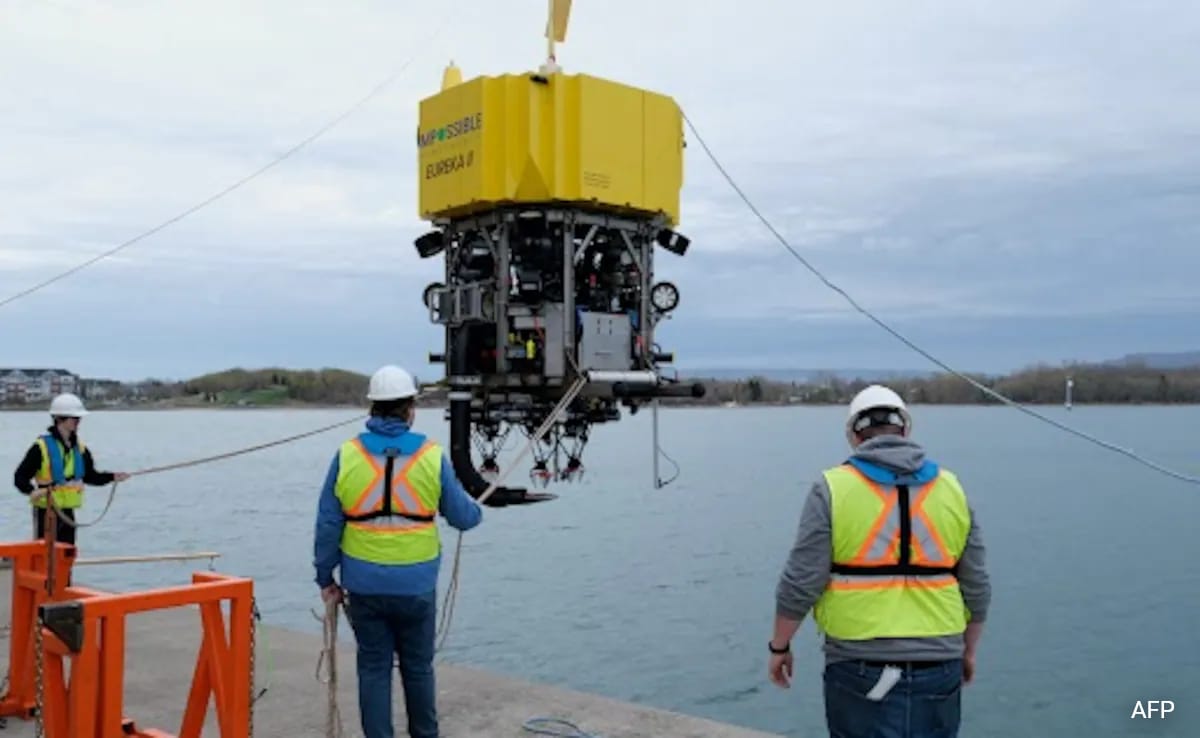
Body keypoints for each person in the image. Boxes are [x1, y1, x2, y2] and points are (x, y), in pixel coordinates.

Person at [768, 384, 991, 738]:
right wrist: (969, 650)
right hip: (940, 661)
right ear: (906, 430)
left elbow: (801, 581)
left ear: (853, 436)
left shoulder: (831, 488)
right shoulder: (952, 489)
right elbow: (977, 584)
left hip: (858, 663)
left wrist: (779, 646)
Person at [313, 364, 483, 738]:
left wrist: (325, 578)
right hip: (416, 585)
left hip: (365, 586)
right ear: (410, 409)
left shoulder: (347, 455)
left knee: (373, 668)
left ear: (371, 408)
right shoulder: (432, 456)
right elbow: (462, 517)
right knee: (418, 667)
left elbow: (327, 525)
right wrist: (478, 510)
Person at [12, 392, 130, 545]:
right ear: (59, 418)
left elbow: (90, 476)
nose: (78, 421)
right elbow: (20, 477)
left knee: (66, 554)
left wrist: (112, 477)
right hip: (46, 512)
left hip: (67, 512)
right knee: (45, 555)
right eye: (74, 418)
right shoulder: (41, 448)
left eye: (79, 418)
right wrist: (31, 491)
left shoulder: (80, 449)